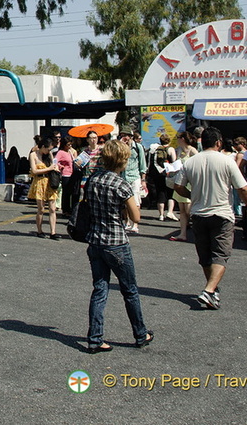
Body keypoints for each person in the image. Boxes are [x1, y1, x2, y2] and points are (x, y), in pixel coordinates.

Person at [172, 127, 247, 310]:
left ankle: (212, 290)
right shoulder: (227, 161)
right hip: (221, 213)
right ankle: (209, 290)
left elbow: (178, 186)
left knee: (205, 254)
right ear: (218, 143)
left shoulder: (191, 162)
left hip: (199, 213)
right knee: (220, 254)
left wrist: (192, 194)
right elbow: (243, 188)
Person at [82, 139, 153, 352]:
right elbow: (136, 217)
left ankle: (95, 338)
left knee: (99, 289)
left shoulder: (94, 179)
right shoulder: (120, 184)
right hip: (116, 242)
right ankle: (140, 333)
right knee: (129, 290)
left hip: (95, 240)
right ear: (122, 160)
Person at [28, 136, 60, 238]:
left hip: (50, 182)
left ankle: (53, 232)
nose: (49, 151)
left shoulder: (49, 154)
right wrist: (49, 168)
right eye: (48, 149)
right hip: (39, 181)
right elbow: (34, 171)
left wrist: (56, 167)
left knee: (52, 208)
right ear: (42, 147)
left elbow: (55, 164)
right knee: (41, 209)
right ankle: (40, 230)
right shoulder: (33, 155)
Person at [169, 131, 198, 242]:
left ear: (183, 139)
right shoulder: (179, 150)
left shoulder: (192, 150)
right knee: (182, 210)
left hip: (189, 182)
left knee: (189, 210)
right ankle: (183, 233)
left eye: (178, 138)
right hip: (180, 181)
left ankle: (197, 233)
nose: (176, 139)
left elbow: (198, 163)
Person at [118, 130, 147, 234]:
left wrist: (143, 180)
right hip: (122, 176)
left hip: (134, 176)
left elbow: (143, 164)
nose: (124, 138)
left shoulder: (138, 147)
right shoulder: (120, 147)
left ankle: (135, 224)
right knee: (123, 202)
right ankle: (127, 222)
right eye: (121, 136)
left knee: (135, 201)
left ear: (130, 136)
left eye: (125, 136)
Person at [149, 134, 177, 222]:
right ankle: (170, 212)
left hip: (158, 174)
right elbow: (174, 161)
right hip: (168, 174)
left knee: (160, 193)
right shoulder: (170, 149)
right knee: (170, 194)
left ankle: (161, 214)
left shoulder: (156, 149)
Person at [55, 135, 75, 215]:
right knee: (66, 192)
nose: (69, 146)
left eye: (71, 144)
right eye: (68, 145)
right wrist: (60, 166)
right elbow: (55, 161)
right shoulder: (61, 152)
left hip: (72, 173)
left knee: (70, 192)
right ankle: (65, 209)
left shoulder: (70, 152)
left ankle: (68, 208)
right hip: (65, 174)